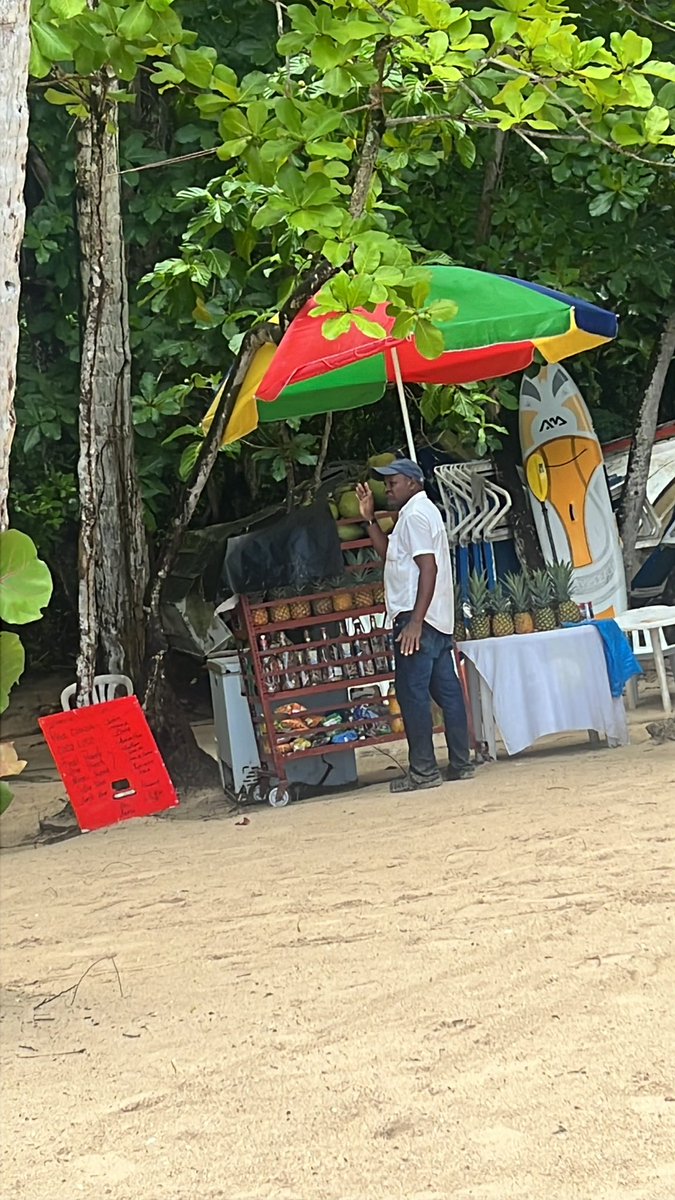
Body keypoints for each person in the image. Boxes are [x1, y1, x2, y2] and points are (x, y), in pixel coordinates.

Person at [355, 459, 474, 793]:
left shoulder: (416, 516)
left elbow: (428, 568)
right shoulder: (416, 514)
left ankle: (424, 772)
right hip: (435, 619)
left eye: (392, 483)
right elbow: (392, 557)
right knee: (447, 693)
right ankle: (461, 763)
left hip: (417, 618)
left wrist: (415, 623)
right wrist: (369, 520)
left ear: (412, 482)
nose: (387, 490)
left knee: (412, 694)